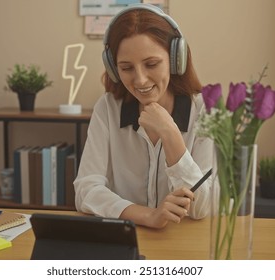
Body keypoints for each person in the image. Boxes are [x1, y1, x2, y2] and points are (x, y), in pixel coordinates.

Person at [74, 3, 213, 229]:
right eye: (127, 68)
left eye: (151, 64)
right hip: (125, 237)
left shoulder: (204, 111)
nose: (140, 80)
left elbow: (202, 207)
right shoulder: (107, 108)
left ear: (175, 58)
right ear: (113, 68)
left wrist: (171, 135)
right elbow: (85, 190)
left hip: (183, 241)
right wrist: (148, 215)